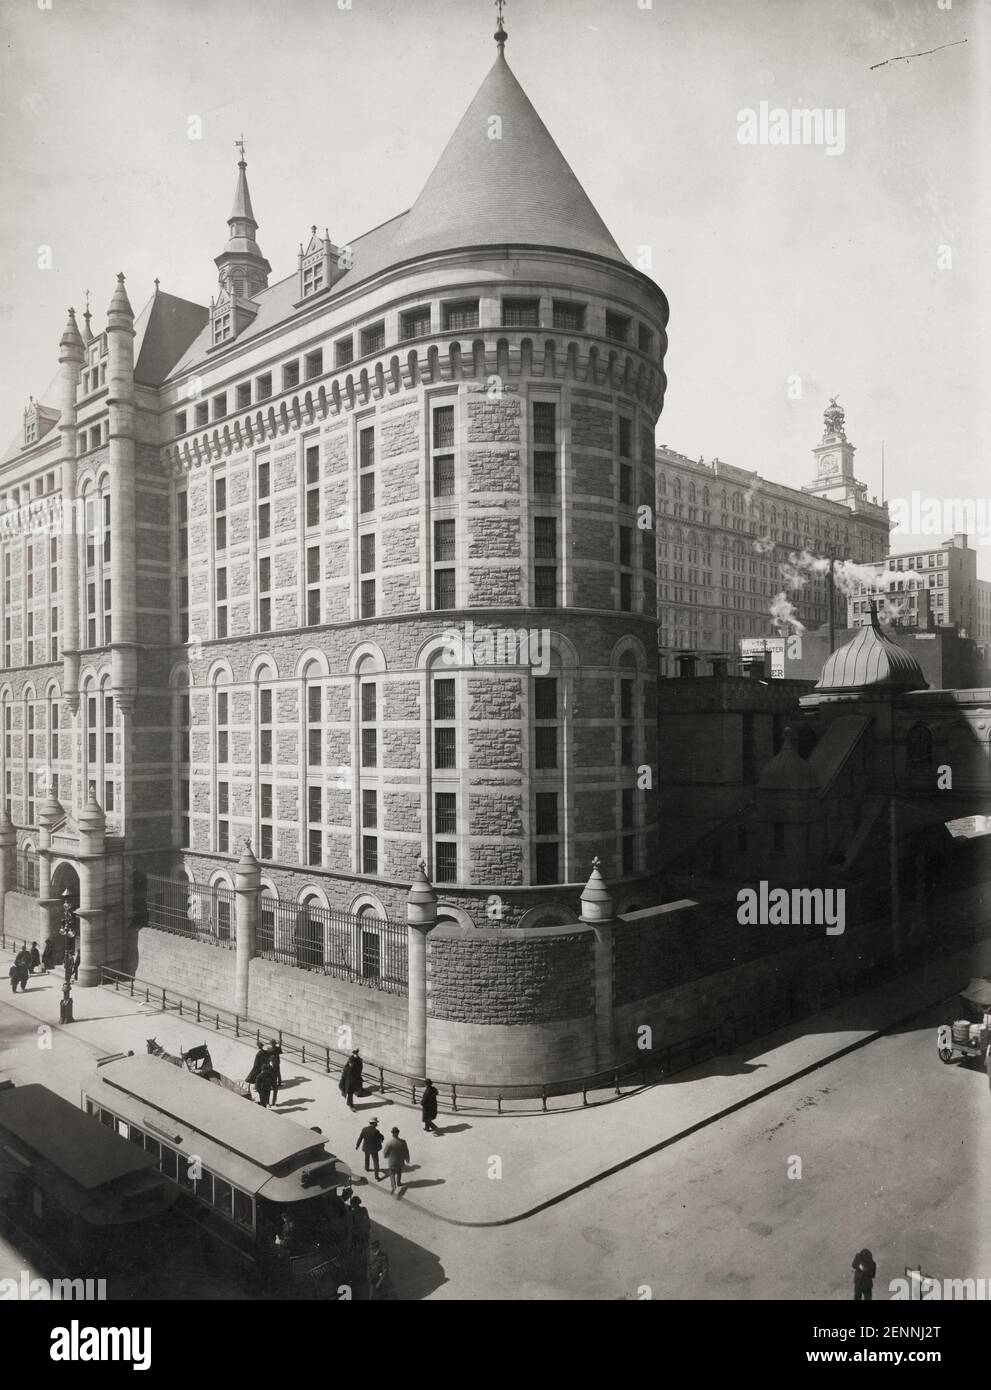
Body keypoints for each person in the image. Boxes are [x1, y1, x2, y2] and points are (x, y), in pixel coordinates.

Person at [382, 1126, 410, 1195]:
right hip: (400, 1160)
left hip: (392, 1161)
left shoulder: (389, 1142)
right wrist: (407, 1159)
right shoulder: (403, 1142)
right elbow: (406, 1151)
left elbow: (385, 1152)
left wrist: (385, 1156)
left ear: (392, 1133)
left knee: (392, 1173)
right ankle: (399, 1182)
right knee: (399, 1171)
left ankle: (393, 1186)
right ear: (398, 1133)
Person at [265, 1040, 282, 1106]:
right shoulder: (277, 1048)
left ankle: (269, 1103)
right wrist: (280, 1045)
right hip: (277, 1062)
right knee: (278, 1072)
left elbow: (268, 1052)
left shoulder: (271, 1050)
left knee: (276, 1072)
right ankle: (280, 1081)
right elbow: (280, 1052)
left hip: (274, 1063)